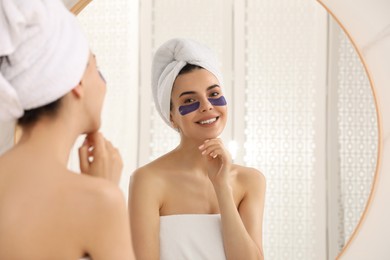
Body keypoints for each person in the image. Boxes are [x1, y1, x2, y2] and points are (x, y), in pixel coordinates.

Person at [0, 0, 134, 259]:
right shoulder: (100, 202)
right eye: (98, 70)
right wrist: (101, 192)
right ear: (77, 82)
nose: (104, 86)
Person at [129, 38, 266, 260]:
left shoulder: (251, 181)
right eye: (190, 100)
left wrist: (222, 187)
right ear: (171, 116)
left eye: (213, 94)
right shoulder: (148, 180)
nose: (207, 106)